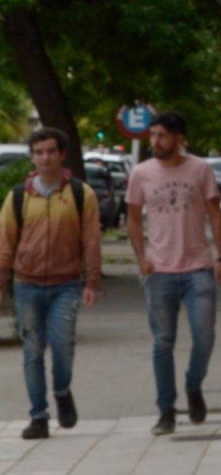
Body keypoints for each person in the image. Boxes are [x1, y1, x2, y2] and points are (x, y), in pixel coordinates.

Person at [125, 111, 221, 436]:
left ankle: (193, 385)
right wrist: (141, 257)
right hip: (159, 270)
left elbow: (215, 214)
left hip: (198, 267)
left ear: (179, 138)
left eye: (162, 136)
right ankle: (166, 410)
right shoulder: (141, 173)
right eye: (153, 135)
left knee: (205, 336)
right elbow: (132, 217)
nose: (155, 141)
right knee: (162, 343)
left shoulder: (200, 169)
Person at [0, 127, 102, 440]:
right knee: (32, 351)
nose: (45, 158)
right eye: (39, 152)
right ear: (32, 157)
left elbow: (91, 241)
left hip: (66, 284)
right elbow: (5, 244)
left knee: (62, 345)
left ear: (62, 154)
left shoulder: (81, 194)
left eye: (50, 151)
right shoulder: (18, 197)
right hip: (27, 285)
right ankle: (38, 416)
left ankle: (61, 390)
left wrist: (92, 281)